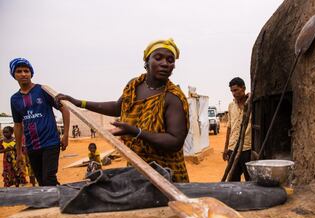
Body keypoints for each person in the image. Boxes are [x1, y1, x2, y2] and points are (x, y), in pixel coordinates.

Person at [56, 38, 190, 182]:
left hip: (166, 174)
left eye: (170, 60)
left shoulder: (173, 97)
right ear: (146, 61)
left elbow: (175, 142)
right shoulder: (134, 85)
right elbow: (118, 107)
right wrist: (79, 103)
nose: (165, 63)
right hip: (137, 168)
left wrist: (136, 132)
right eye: (158, 58)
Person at [9, 58, 70, 186]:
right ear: (14, 75)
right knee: (42, 182)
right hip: (32, 147)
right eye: (19, 71)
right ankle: (58, 200)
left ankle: (61, 203)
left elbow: (64, 109)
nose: (23, 74)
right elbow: (18, 125)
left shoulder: (43, 90)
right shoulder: (15, 99)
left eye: (26, 71)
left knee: (49, 178)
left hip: (51, 142)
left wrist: (65, 135)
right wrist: (19, 152)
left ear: (31, 73)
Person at [223, 77, 251, 181]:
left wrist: (251, 96)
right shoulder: (231, 106)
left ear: (243, 88)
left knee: (250, 180)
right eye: (232, 91)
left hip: (247, 149)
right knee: (233, 180)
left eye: (236, 90)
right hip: (232, 149)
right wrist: (226, 148)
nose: (234, 93)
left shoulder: (251, 104)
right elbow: (229, 127)